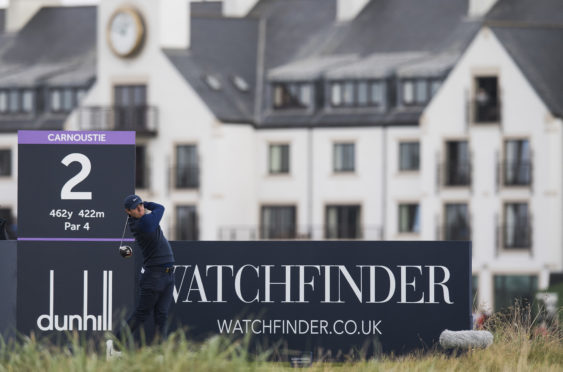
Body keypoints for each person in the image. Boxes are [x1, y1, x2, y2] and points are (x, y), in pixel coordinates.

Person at [107, 195, 175, 359]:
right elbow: (160, 208)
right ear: (128, 211)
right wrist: (147, 203)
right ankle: (114, 346)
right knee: (141, 314)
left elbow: (154, 209)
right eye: (136, 208)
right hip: (154, 276)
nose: (141, 209)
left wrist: (143, 204)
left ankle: (160, 353)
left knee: (162, 315)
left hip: (167, 275)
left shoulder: (141, 218)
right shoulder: (144, 223)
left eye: (141, 205)